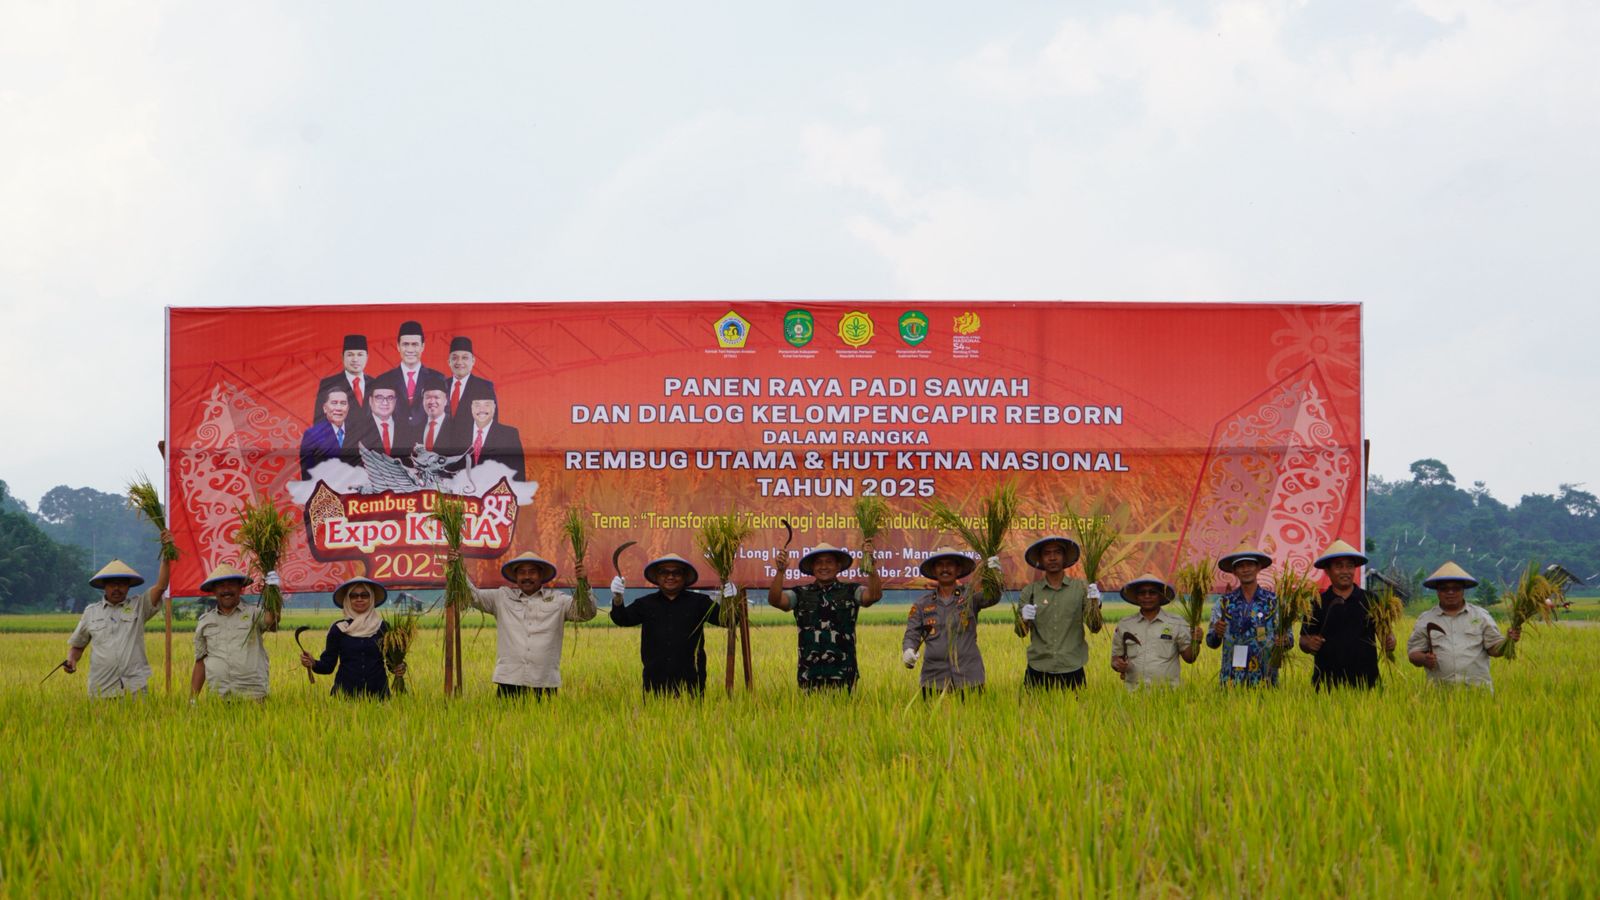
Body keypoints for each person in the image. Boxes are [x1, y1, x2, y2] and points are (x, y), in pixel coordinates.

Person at [461, 550, 596, 698]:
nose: (526, 577)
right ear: (516, 577)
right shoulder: (501, 597)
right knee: (506, 714)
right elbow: (473, 596)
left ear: (541, 575)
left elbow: (586, 613)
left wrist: (584, 584)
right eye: (521, 572)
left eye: (532, 572)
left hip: (544, 682)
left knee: (546, 715)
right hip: (509, 681)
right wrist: (459, 570)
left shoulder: (558, 600)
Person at [63, 537, 175, 698]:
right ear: (104, 586)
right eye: (112, 584)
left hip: (134, 688)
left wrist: (166, 554)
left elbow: (161, 586)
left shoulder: (139, 606)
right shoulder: (91, 612)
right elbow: (78, 646)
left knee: (137, 715)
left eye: (122, 584)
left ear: (128, 587)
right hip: (101, 688)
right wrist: (71, 660)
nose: (117, 588)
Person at [768, 540, 883, 691]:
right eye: (819, 562)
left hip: (844, 674)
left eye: (829, 562)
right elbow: (776, 600)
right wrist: (780, 572)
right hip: (809, 675)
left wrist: (871, 568)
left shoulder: (851, 591)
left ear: (838, 566)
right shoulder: (800, 593)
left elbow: (873, 596)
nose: (824, 566)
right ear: (812, 567)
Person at [608, 554, 723, 696]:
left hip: (692, 681)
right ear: (657, 577)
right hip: (654, 681)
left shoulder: (700, 602)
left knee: (693, 710)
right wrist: (618, 598)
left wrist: (730, 599)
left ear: (685, 577)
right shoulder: (645, 604)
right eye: (664, 572)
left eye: (676, 572)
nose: (670, 576)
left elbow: (726, 620)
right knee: (653, 710)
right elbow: (622, 619)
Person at [902, 547, 1001, 696]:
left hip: (969, 677)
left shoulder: (970, 596)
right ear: (934, 570)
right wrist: (908, 650)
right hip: (933, 679)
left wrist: (995, 576)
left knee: (973, 712)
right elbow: (912, 634)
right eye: (940, 565)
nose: (945, 569)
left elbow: (992, 597)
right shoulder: (922, 604)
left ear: (958, 569)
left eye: (950, 564)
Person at [1407, 561, 1519, 689]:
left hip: (1478, 691)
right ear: (1437, 591)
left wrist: (1508, 641)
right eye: (1444, 589)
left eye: (1456, 588)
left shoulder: (1481, 616)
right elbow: (1413, 653)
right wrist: (1424, 659)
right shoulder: (1426, 619)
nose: (1450, 592)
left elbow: (1494, 649)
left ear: (1463, 590)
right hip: (1440, 693)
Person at [1299, 539, 1392, 690]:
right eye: (1338, 566)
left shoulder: (1371, 600)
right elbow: (1303, 640)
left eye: (1349, 566)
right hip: (1326, 685)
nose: (1345, 571)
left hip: (1367, 684)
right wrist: (1309, 644)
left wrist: (1390, 642)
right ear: (1327, 570)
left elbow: (1386, 635)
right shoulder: (1316, 603)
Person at [1014, 535, 1100, 690]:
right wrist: (1024, 619)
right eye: (1047, 553)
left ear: (1065, 557)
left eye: (1057, 552)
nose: (1052, 557)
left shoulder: (1081, 588)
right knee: (1033, 707)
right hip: (1038, 667)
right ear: (1040, 559)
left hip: (1072, 667)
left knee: (1075, 707)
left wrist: (1095, 604)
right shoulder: (1030, 592)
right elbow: (1021, 633)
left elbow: (1095, 627)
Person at [299, 577, 403, 699]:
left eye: (364, 595)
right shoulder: (339, 629)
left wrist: (400, 667)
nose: (359, 599)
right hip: (344, 695)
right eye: (353, 596)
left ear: (371, 598)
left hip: (379, 695)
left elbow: (392, 662)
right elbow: (328, 666)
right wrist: (313, 663)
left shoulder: (383, 627)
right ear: (347, 600)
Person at [190, 563, 279, 702]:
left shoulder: (254, 614)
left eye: (231, 584)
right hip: (218, 698)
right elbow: (200, 662)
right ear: (214, 590)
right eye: (221, 585)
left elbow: (271, 622)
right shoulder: (205, 621)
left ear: (240, 587)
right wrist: (192, 700)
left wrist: (273, 591)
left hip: (253, 697)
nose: (226, 590)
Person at [1206, 545, 1291, 686]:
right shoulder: (1224, 603)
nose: (1245, 569)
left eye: (1250, 564)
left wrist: (1284, 641)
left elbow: (1289, 640)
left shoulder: (1274, 602)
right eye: (1240, 566)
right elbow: (1211, 642)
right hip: (1231, 680)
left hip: (1266, 679)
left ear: (1258, 567)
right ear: (1234, 571)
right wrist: (1217, 632)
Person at [1109, 573, 1199, 689]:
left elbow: (1190, 658)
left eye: (1152, 592)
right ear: (1137, 597)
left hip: (1168, 693)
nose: (1147, 596)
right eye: (1142, 593)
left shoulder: (1177, 623)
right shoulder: (1125, 624)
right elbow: (1115, 658)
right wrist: (1117, 665)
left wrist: (1196, 641)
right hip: (1133, 693)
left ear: (1160, 596)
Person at [374, 320, 447, 428]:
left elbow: (446, 414)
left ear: (423, 346)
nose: (410, 349)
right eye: (405, 344)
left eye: (415, 344)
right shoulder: (384, 379)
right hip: (395, 437)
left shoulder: (438, 378)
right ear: (398, 346)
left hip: (427, 436)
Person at [456, 396, 525, 482]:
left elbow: (517, 475)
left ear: (494, 408)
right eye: (477, 405)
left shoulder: (509, 435)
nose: (481, 409)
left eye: (487, 405)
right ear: (472, 408)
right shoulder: (458, 434)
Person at [349, 385, 418, 462]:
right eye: (379, 398)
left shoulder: (408, 429)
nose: (385, 403)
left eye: (390, 398)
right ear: (370, 401)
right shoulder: (356, 429)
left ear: (395, 401)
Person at [299, 387, 356, 478]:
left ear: (348, 408)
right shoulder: (312, 434)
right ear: (325, 408)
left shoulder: (358, 431)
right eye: (334, 403)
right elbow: (307, 472)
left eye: (343, 403)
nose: (339, 408)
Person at [313, 334, 371, 423]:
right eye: (350, 355)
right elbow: (319, 421)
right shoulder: (328, 384)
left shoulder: (376, 383)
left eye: (360, 355)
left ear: (367, 357)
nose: (355, 359)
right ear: (342, 357)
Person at [444, 336, 496, 425]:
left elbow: (491, 423)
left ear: (473, 361)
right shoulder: (441, 386)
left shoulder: (484, 387)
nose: (459, 362)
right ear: (449, 362)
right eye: (455, 358)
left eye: (465, 358)